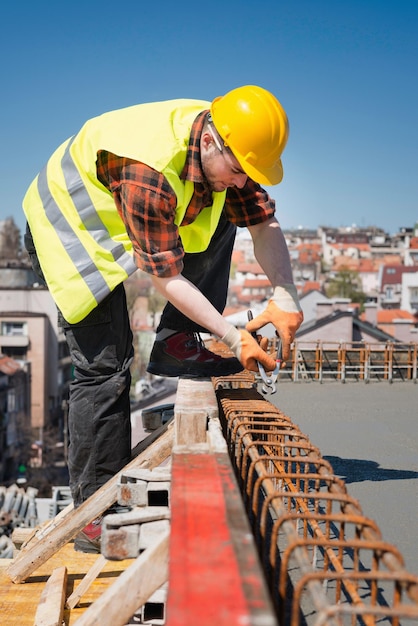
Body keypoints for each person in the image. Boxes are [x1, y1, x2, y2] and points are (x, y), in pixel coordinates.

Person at [23, 85, 303, 552]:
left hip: (129, 216)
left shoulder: (230, 145)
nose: (240, 181)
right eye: (237, 170)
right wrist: (232, 337)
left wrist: (287, 296)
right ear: (212, 141)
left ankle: (177, 343)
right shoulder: (147, 169)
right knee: (104, 368)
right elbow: (166, 278)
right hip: (72, 231)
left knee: (225, 215)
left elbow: (263, 224)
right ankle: (94, 515)